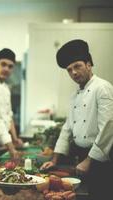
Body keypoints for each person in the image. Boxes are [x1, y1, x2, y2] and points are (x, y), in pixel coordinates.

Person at [40, 39, 113, 200]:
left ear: (89, 64)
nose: (73, 72)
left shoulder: (102, 88)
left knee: (99, 195)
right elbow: (67, 128)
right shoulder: (75, 95)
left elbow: (108, 128)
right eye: (69, 69)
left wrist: (89, 161)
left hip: (100, 158)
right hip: (82, 156)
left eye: (77, 66)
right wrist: (55, 159)